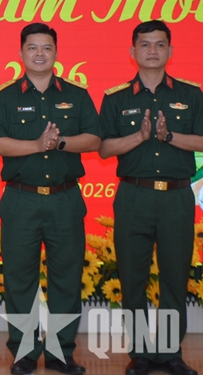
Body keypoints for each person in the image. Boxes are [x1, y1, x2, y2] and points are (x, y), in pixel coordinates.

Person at [0, 23, 101, 375]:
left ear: (56, 53)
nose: (40, 54)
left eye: (46, 48)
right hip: (21, 200)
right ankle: (24, 353)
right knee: (20, 281)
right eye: (32, 48)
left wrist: (60, 143)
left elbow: (95, 139)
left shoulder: (76, 95)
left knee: (66, 279)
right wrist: (36, 146)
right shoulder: (5, 97)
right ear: (21, 53)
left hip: (65, 200)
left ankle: (61, 353)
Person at [99, 20, 202, 375]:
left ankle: (170, 353)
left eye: (160, 44)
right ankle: (141, 353)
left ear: (170, 51)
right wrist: (139, 138)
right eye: (145, 44)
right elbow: (103, 148)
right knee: (132, 278)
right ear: (133, 52)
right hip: (133, 195)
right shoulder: (116, 98)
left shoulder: (191, 95)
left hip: (176, 198)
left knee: (174, 277)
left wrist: (169, 136)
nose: (153, 50)